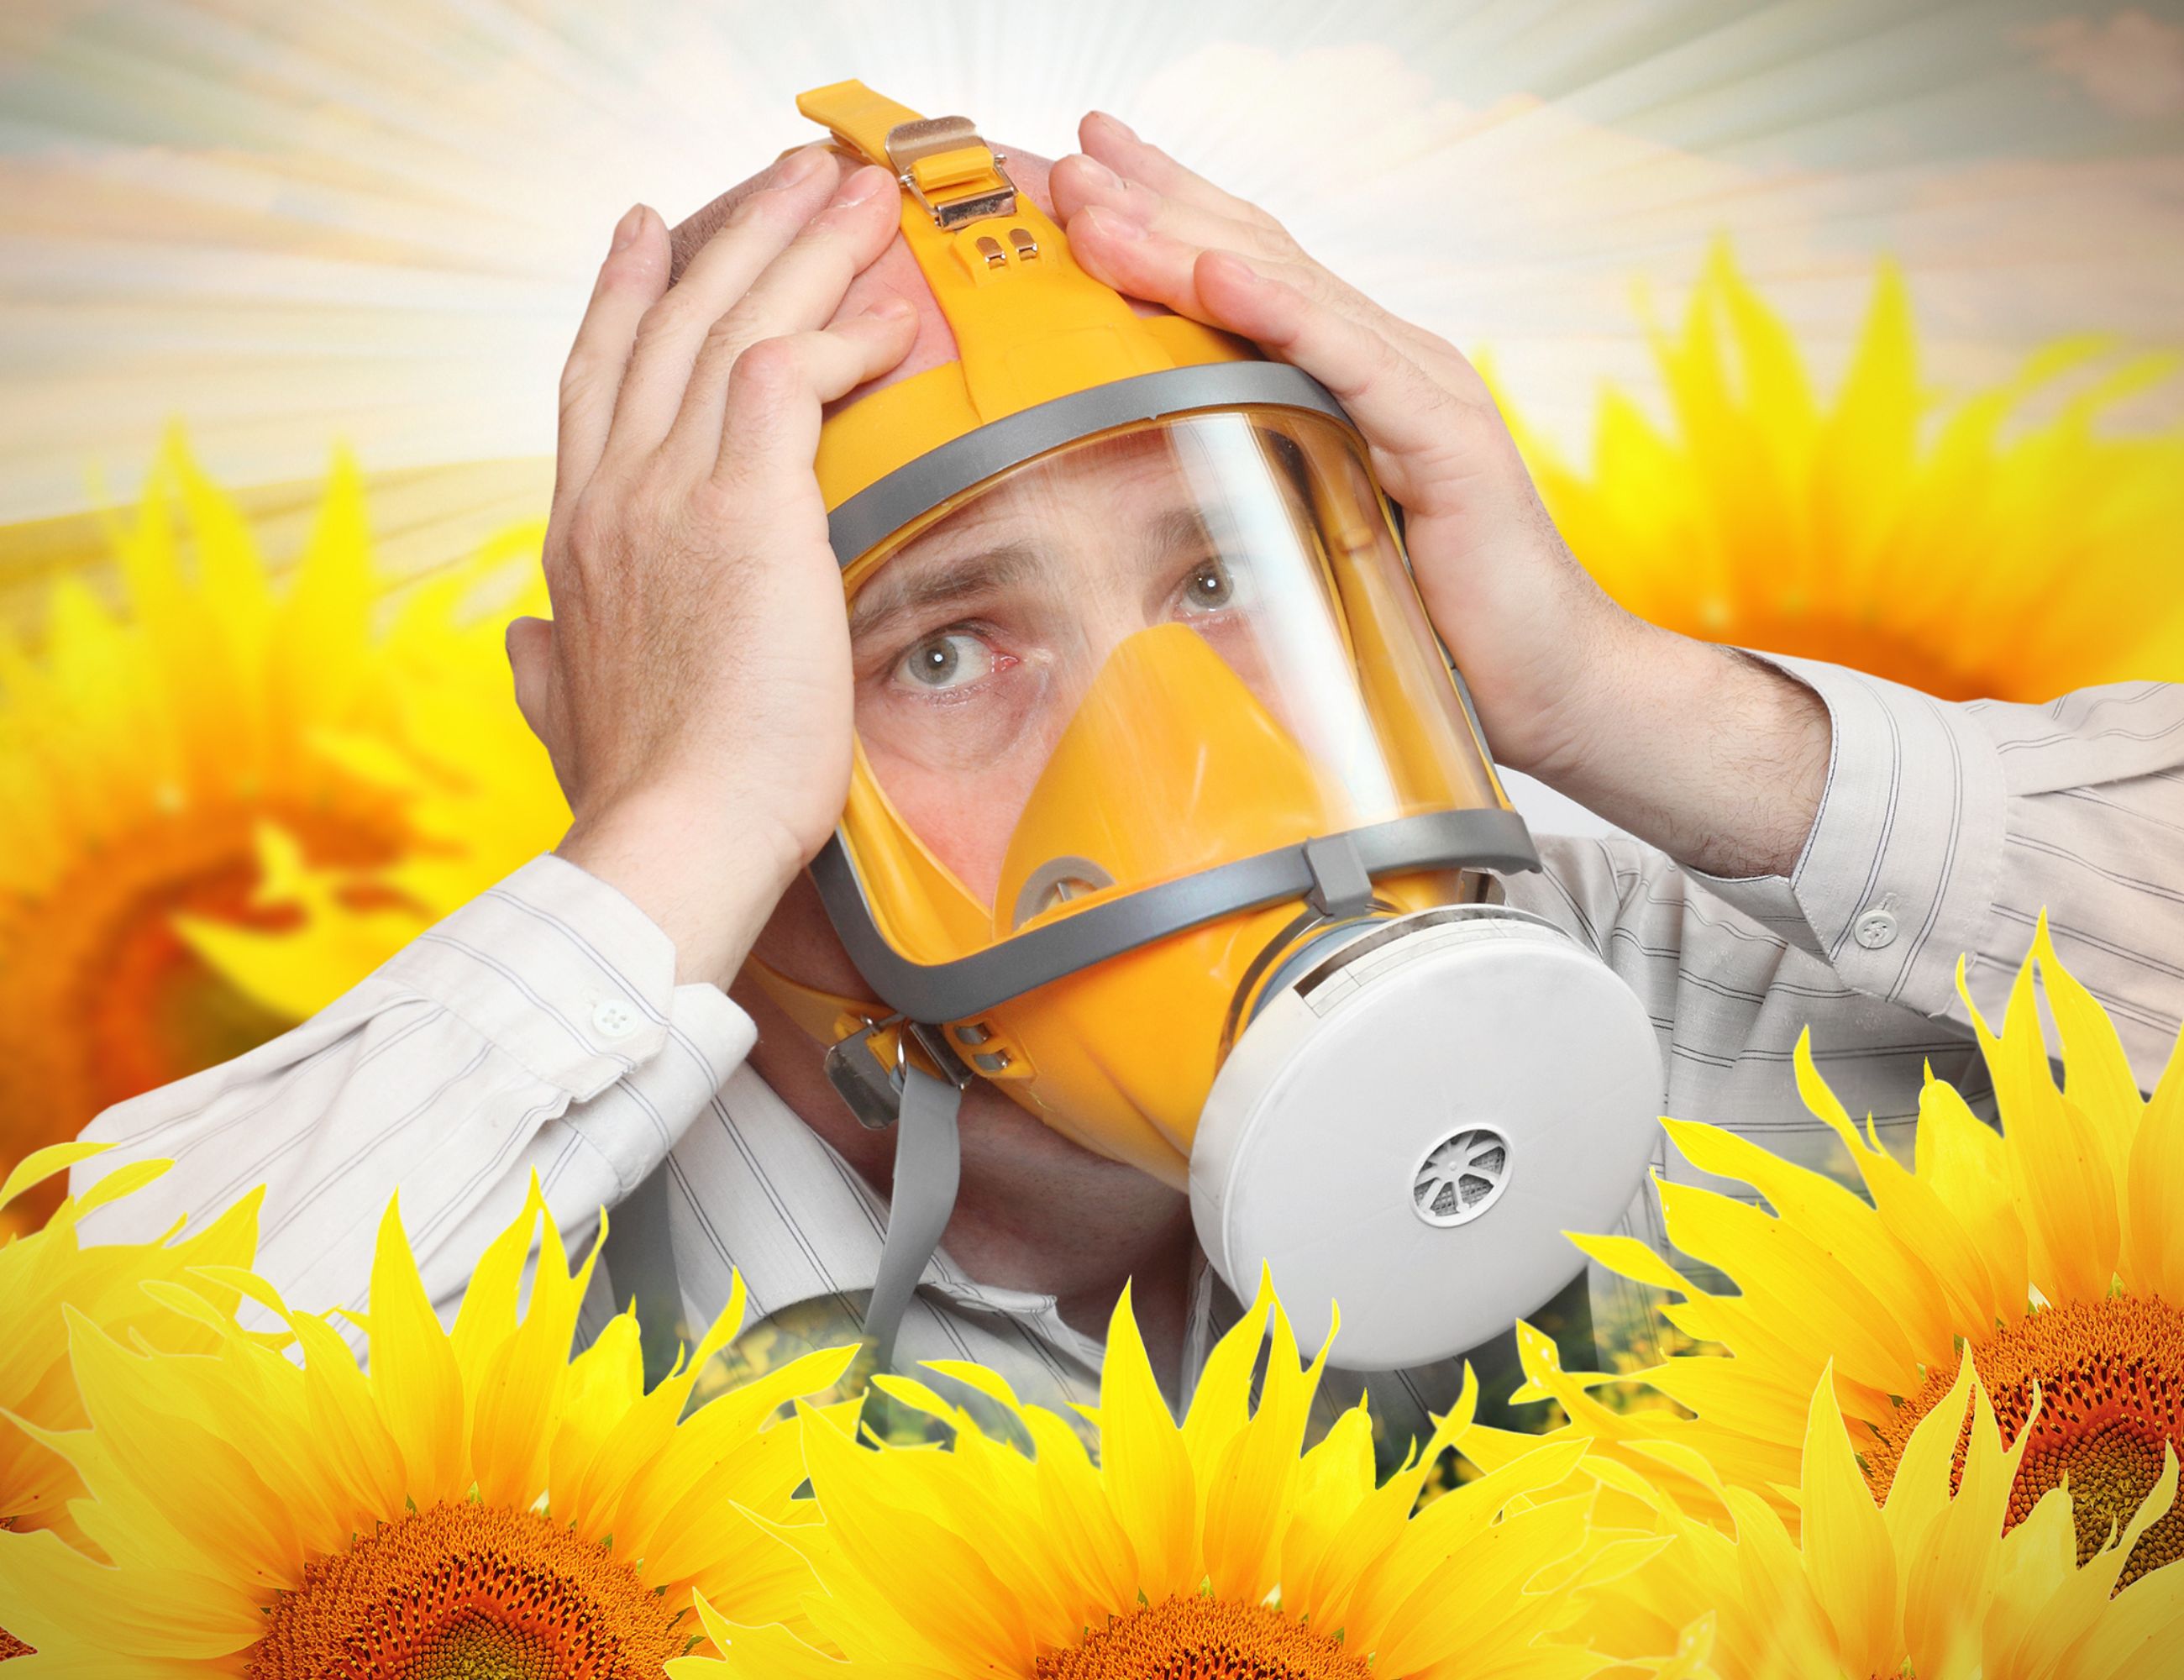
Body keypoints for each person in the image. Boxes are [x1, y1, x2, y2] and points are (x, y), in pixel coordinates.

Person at [76, 103, 2184, 1452]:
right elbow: (71, 1472)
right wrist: (672, 841)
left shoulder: (1594, 943)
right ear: (681, 722)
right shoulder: (516, 1246)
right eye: (941, 645)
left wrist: (1623, 699)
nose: (1194, 757)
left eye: (1223, 574)